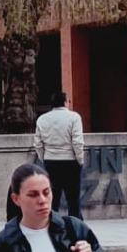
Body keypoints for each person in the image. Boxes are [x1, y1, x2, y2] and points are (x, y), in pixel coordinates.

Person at [31, 91, 87, 219]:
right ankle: (75, 228)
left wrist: (44, 158)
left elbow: (38, 144)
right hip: (70, 162)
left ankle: (51, 227)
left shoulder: (42, 119)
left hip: (51, 161)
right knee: (73, 200)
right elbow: (77, 142)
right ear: (65, 102)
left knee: (52, 198)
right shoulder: (74, 117)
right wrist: (80, 160)